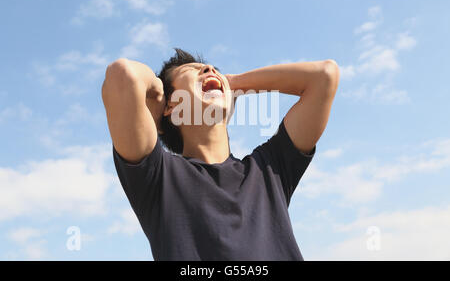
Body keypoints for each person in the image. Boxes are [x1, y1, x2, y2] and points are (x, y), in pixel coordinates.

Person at [101, 48, 339, 260]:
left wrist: (232, 83)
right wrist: (157, 91)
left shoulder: (269, 169)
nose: (209, 68)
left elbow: (324, 75)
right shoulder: (158, 177)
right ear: (171, 106)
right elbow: (123, 75)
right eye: (193, 70)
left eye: (215, 71)